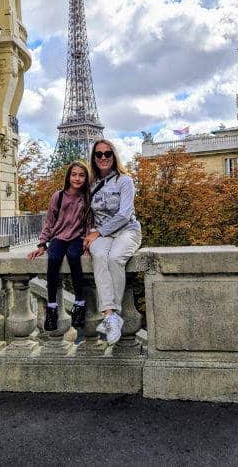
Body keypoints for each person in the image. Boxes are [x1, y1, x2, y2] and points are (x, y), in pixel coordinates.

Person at [84, 139, 142, 346]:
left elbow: (125, 214)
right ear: (93, 158)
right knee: (99, 256)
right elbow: (80, 212)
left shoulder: (124, 181)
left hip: (126, 231)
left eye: (107, 154)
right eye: (98, 154)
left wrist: (97, 232)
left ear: (114, 156)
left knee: (116, 258)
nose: (103, 158)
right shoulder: (90, 183)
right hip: (99, 235)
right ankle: (110, 316)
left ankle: (111, 314)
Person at [28, 161, 92, 332]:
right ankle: (52, 306)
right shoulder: (59, 196)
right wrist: (42, 243)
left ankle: (79, 304)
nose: (77, 178)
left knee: (73, 257)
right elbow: (49, 221)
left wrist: (87, 242)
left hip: (77, 238)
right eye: (74, 174)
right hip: (58, 237)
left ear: (86, 178)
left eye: (81, 175)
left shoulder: (87, 197)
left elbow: (88, 223)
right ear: (68, 176)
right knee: (54, 258)